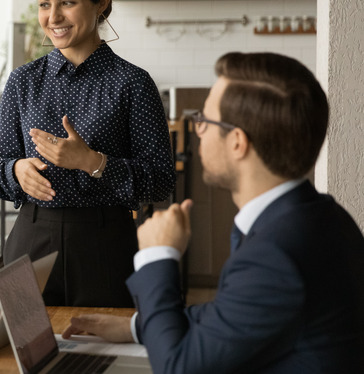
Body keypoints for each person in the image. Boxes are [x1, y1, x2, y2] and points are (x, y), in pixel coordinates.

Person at [62, 52, 364, 373]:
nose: (198, 131)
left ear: (237, 142)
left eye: (204, 119)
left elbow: (179, 368)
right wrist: (137, 326)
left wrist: (158, 256)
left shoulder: (276, 252)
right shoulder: (320, 217)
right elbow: (232, 313)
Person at [0, 0, 175, 307]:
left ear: (101, 3)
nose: (53, 16)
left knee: (101, 355)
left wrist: (92, 161)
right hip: (30, 237)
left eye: (68, 3)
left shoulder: (133, 83)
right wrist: (16, 170)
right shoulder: (22, 82)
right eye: (44, 4)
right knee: (20, 356)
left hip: (103, 244)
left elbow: (160, 181)